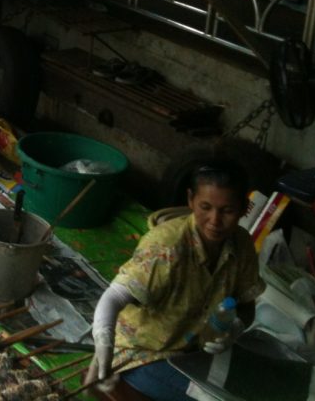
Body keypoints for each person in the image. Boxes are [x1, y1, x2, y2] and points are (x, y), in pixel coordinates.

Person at [86, 159, 263, 401]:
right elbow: (114, 297)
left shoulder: (242, 246)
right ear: (190, 200)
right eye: (205, 207)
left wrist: (234, 329)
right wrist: (104, 344)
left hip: (194, 352)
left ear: (245, 208)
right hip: (144, 354)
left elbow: (246, 306)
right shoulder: (166, 247)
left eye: (227, 210)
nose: (215, 220)